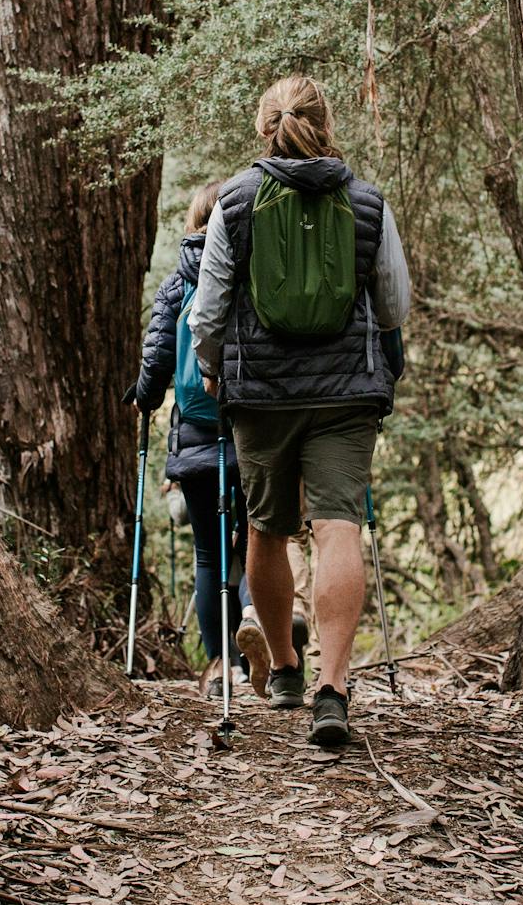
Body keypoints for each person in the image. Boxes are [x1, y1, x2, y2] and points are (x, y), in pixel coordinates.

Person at [188, 75, 411, 747]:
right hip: (346, 393)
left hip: (260, 394)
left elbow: (209, 309)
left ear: (266, 128)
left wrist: (211, 369)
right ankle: (333, 688)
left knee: (267, 527)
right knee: (337, 526)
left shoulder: (235, 201)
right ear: (325, 122)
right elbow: (395, 304)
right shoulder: (368, 202)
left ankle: (283, 665)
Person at [130, 182, 291, 698]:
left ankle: (224, 663)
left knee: (207, 553)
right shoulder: (253, 268)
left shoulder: (177, 283)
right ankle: (252, 617)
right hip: (252, 428)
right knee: (256, 541)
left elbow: (157, 357)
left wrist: (144, 397)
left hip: (197, 434)